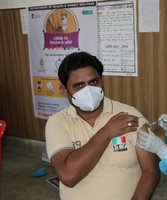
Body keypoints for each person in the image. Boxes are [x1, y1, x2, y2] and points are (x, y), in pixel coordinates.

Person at [45, 51, 160, 200]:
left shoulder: (130, 116)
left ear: (101, 80)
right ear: (63, 90)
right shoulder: (58, 122)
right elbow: (68, 175)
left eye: (93, 82)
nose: (88, 90)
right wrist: (106, 132)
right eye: (78, 85)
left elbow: (151, 171)